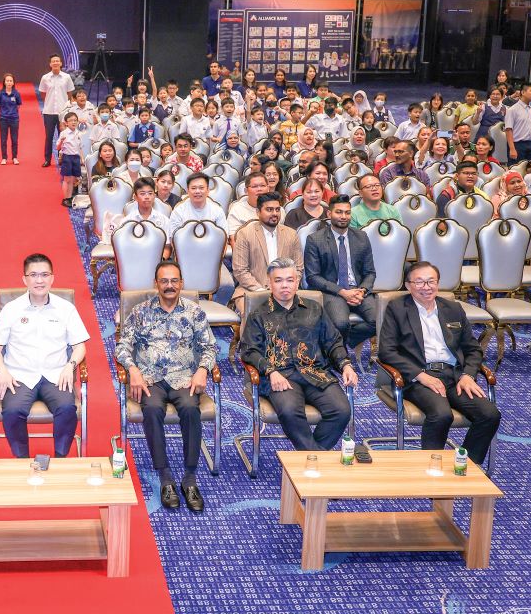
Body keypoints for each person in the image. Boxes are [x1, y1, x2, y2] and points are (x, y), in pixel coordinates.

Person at [115, 260, 216, 511]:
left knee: (191, 409)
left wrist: (202, 370)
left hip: (184, 377)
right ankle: (165, 477)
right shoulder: (140, 312)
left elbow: (210, 347)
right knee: (151, 409)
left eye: (174, 281)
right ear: (156, 284)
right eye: (164, 281)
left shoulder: (194, 312)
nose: (169, 285)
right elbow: (122, 346)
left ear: (181, 283)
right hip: (150, 378)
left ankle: (190, 478)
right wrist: (133, 370)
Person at [377, 261, 501, 465]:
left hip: (454, 376)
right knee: (442, 415)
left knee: (490, 414)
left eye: (431, 281)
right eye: (419, 282)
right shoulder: (398, 308)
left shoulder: (453, 308)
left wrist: (468, 375)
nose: (426, 287)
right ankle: (432, 468)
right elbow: (387, 351)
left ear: (438, 283)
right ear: (408, 285)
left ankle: (466, 465)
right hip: (418, 377)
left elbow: (473, 349)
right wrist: (421, 376)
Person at [240, 257, 358, 451]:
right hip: (280, 376)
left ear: (297, 282)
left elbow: (333, 342)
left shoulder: (314, 309)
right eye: (278, 280)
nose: (284, 285)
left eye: (289, 280)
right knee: (289, 411)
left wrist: (346, 365)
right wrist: (270, 371)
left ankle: (311, 457)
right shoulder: (259, 315)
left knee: (342, 410)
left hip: (315, 372)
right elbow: (249, 351)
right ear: (270, 283)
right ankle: (314, 458)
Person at [0, 253, 88, 459]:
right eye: (33, 275)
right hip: (19, 376)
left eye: (44, 275)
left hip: (57, 375)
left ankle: (60, 458)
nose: (39, 280)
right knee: (12, 412)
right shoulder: (12, 309)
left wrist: (70, 365)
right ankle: (22, 460)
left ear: (52, 278)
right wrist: (2, 370)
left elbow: (80, 346)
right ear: (24, 279)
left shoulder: (66, 309)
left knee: (67, 408)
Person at [304, 195, 377, 349]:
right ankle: (339, 351)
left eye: (347, 212)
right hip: (333, 291)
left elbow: (370, 272)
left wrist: (362, 291)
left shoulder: (361, 237)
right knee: (341, 323)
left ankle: (342, 344)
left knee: (379, 320)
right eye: (339, 212)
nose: (343, 216)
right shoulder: (315, 240)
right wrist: (342, 292)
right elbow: (312, 277)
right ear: (329, 214)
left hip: (358, 290)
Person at [231, 192, 303, 313]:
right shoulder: (245, 234)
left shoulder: (291, 234)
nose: (274, 213)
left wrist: (287, 286)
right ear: (258, 212)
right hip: (251, 290)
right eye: (269, 209)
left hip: (286, 290)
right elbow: (240, 270)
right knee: (253, 315)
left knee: (303, 314)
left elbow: (298, 268)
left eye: (277, 209)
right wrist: (261, 291)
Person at [39, 54, 76, 167]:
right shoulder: (45, 78)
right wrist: (48, 102)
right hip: (49, 112)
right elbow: (43, 93)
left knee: (64, 137)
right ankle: (47, 159)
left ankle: (63, 159)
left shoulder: (66, 77)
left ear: (61, 63)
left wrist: (67, 107)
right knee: (49, 137)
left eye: (57, 61)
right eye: (53, 61)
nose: (55, 63)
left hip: (63, 112)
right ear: (50, 64)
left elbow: (70, 93)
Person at [228, 172, 274, 239]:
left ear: (268, 188)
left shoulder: (277, 209)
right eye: (254, 186)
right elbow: (234, 240)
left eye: (262, 186)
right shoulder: (236, 210)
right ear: (246, 191)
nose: (259, 189)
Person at [505, 83, 531, 164]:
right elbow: (508, 130)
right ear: (523, 92)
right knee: (516, 169)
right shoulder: (512, 110)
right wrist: (512, 149)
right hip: (518, 145)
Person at [55, 112, 82, 207]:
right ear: (66, 123)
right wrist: (61, 141)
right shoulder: (64, 133)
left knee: (73, 178)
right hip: (67, 157)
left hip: (76, 157)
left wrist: (82, 158)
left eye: (75, 120)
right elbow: (57, 147)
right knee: (67, 179)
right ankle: (65, 198)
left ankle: (69, 197)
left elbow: (80, 147)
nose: (73, 122)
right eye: (71, 120)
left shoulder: (79, 133)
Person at [0, 73, 22, 165]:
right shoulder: (0, 93)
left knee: (14, 139)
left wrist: (12, 112)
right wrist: (4, 112)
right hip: (3, 119)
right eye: (7, 81)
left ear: (13, 82)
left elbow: (18, 105)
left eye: (11, 81)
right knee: (3, 139)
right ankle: (4, 158)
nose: (9, 82)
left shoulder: (16, 93)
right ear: (4, 82)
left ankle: (14, 157)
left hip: (14, 119)